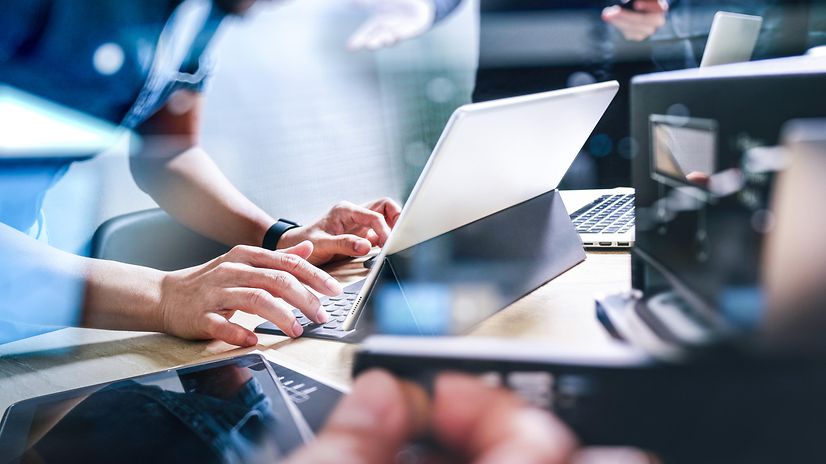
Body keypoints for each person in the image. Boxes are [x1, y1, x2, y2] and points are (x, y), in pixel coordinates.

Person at [0, 0, 415, 346]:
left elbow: (168, 154)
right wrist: (164, 296)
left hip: (29, 306)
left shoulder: (202, 11)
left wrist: (282, 237)